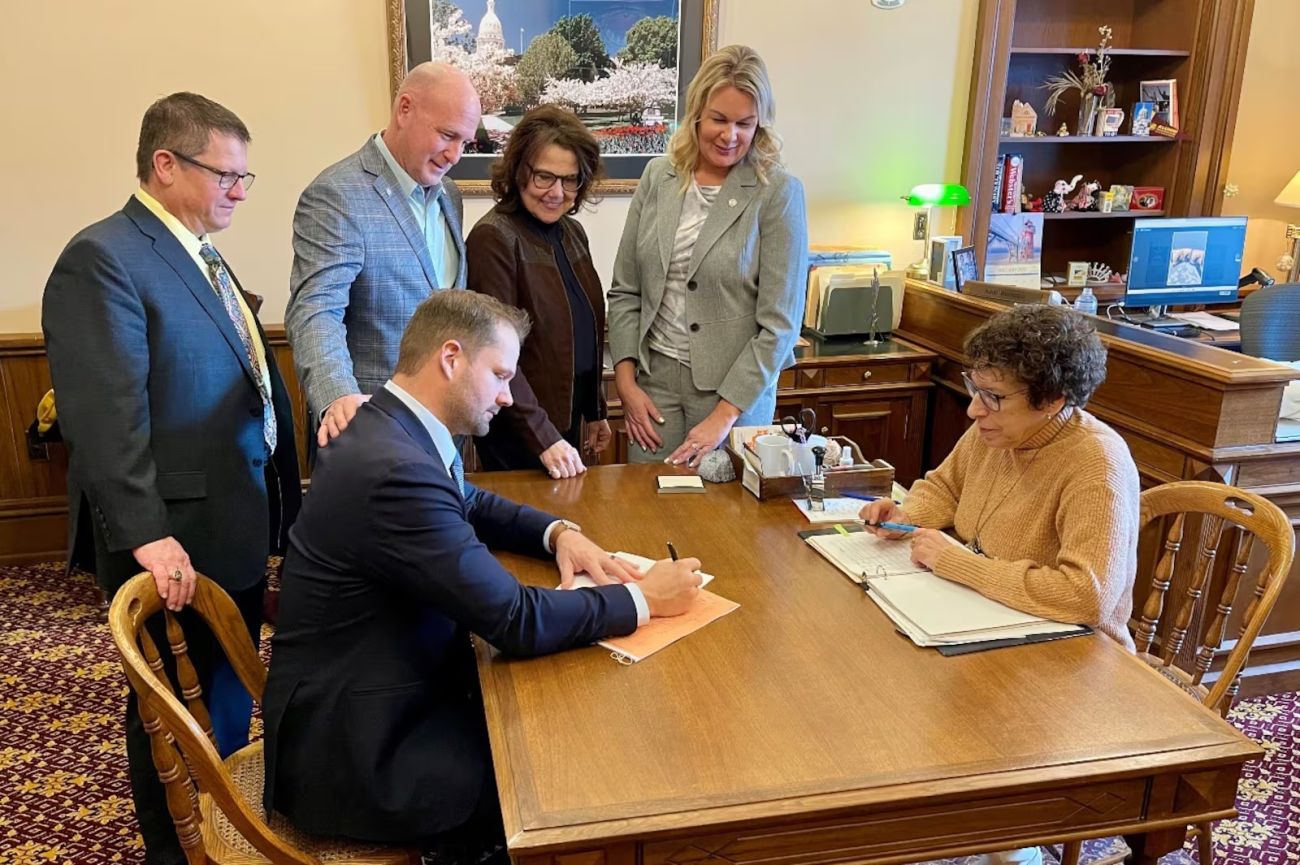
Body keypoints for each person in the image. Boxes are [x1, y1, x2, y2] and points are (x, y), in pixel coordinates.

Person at [262, 290, 702, 848]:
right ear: (451, 358)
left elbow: (467, 500)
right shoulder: (393, 468)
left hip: (370, 690)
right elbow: (515, 619)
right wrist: (646, 600)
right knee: (567, 774)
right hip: (364, 752)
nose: (506, 396)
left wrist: (559, 533)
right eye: (499, 375)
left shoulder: (390, 424)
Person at [42, 92, 301, 865]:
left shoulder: (195, 250)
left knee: (219, 698)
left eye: (245, 177)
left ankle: (215, 825)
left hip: (230, 521)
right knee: (171, 711)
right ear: (166, 164)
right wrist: (148, 534)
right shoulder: (105, 256)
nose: (239, 191)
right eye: (227, 174)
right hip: (172, 536)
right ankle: (179, 849)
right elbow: (104, 415)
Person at [860, 304, 1139, 865]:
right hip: (986, 623)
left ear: (1053, 398)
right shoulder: (996, 434)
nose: (972, 408)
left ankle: (1011, 838)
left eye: (993, 395)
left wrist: (958, 563)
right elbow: (943, 487)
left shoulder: (1096, 464)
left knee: (896, 717)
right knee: (869, 680)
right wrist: (907, 516)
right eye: (973, 387)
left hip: (1069, 665)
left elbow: (1087, 596)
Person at [607, 44, 808, 468]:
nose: (729, 135)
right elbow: (626, 291)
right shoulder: (658, 176)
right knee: (647, 511)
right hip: (654, 387)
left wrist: (723, 417)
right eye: (719, 119)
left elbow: (780, 327)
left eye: (744, 123)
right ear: (697, 112)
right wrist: (625, 384)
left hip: (733, 397)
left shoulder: (778, 193)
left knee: (721, 525)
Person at [286, 61, 481, 449]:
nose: (455, 155)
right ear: (404, 110)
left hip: (442, 434)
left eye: (465, 142)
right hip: (368, 434)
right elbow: (315, 311)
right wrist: (339, 397)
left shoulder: (450, 197)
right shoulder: (337, 195)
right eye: (447, 135)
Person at [466, 105, 609, 478]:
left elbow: (586, 330)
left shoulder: (572, 233)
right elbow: (495, 356)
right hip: (520, 431)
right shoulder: (493, 238)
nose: (557, 192)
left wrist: (595, 412)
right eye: (545, 176)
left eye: (570, 179)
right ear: (518, 171)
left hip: (567, 424)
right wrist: (543, 437)